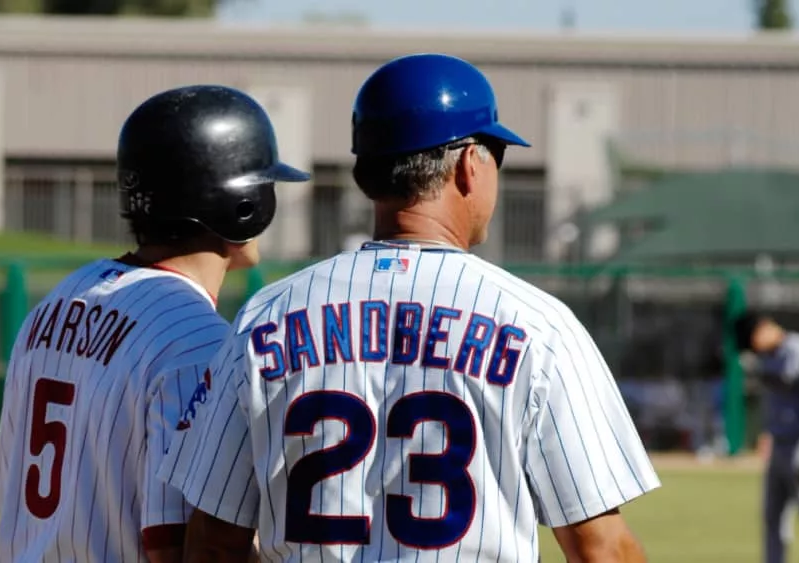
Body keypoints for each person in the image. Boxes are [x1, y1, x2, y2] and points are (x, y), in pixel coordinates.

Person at [159, 53, 659, 562]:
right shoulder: (536, 325)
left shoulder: (265, 317)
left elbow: (214, 542)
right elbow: (601, 548)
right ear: (469, 164)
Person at [0, 85, 309, 563]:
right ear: (243, 202)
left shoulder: (58, 301)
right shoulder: (195, 339)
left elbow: (7, 498)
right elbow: (175, 548)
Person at [733, 312, 799, 563]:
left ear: (762, 329)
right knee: (772, 516)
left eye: (751, 341)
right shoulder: (769, 357)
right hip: (779, 446)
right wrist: (767, 434)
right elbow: (777, 401)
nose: (753, 349)